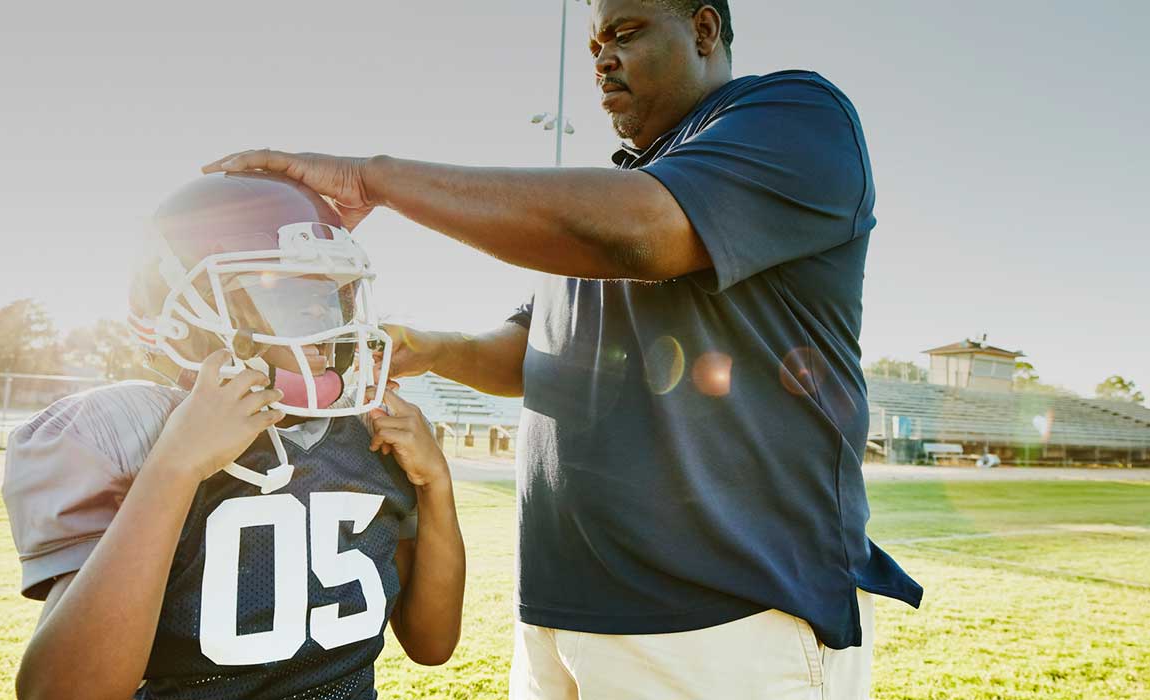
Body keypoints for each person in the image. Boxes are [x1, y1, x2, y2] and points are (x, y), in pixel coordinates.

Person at [203, 1, 920, 697]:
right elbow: (536, 353)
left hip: (727, 616)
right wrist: (436, 346)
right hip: (564, 610)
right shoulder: (616, 191)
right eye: (593, 45)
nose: (603, 56)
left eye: (626, 32)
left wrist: (374, 178)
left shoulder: (793, 115)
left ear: (705, 29)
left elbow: (646, 234)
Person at [3, 172, 465, 700]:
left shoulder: (369, 433)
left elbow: (433, 645)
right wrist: (175, 468)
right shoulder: (132, 430)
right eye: (289, 292)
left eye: (330, 294)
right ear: (190, 316)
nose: (321, 313)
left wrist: (437, 488)